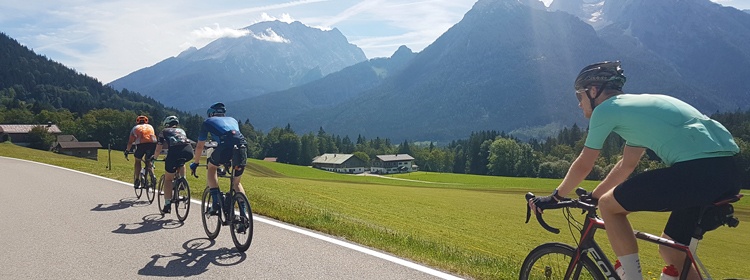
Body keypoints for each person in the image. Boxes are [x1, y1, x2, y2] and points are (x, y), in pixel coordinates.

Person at [529, 61, 740, 280]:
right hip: (726, 172)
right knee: (671, 250)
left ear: (593, 91)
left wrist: (555, 197)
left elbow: (585, 163)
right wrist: (595, 195)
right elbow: (626, 165)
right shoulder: (636, 110)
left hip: (696, 171)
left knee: (609, 207)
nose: (579, 104)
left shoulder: (605, 109)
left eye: (578, 96)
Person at [189, 103, 249, 226]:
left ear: (211, 113)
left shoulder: (207, 122)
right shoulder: (232, 120)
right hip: (242, 147)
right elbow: (235, 140)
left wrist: (195, 163)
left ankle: (215, 202)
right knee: (236, 183)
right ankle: (244, 214)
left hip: (225, 147)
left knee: (211, 167)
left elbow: (200, 146)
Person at [152, 115, 194, 214]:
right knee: (181, 162)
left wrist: (154, 158)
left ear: (166, 124)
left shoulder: (164, 131)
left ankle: (167, 204)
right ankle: (183, 180)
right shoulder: (182, 130)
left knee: (168, 179)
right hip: (189, 151)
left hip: (174, 152)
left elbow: (159, 147)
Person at [126, 115, 158, 189]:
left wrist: (127, 151)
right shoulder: (150, 126)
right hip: (152, 144)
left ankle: (137, 180)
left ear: (137, 121)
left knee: (138, 161)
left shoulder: (135, 128)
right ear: (146, 121)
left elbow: (130, 142)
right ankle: (153, 175)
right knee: (149, 160)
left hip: (141, 145)